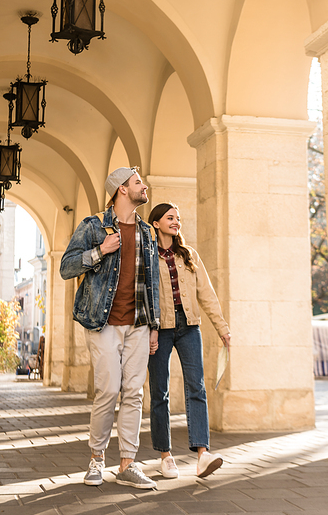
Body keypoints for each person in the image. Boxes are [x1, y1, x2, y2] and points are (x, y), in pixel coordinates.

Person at [60, 167, 160, 490]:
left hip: (138, 324)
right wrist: (100, 250)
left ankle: (128, 464)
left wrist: (154, 325)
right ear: (121, 190)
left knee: (134, 392)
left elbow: (153, 283)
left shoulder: (147, 233)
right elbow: (66, 266)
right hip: (102, 322)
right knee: (107, 391)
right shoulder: (93, 226)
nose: (144, 187)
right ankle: (96, 459)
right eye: (137, 183)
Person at [147, 202, 231, 479]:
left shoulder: (188, 254)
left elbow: (206, 294)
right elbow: (144, 296)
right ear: (156, 223)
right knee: (160, 392)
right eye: (170, 218)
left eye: (178, 219)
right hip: (160, 329)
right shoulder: (148, 255)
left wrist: (222, 328)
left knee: (197, 388)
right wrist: (149, 328)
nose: (176, 222)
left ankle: (202, 454)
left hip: (189, 327)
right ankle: (165, 455)